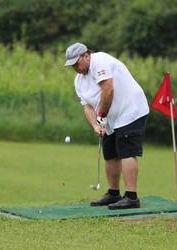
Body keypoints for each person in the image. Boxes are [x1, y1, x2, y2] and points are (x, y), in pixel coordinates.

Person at [64, 42, 149, 209]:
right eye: (72, 64)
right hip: (111, 118)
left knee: (127, 151)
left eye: (77, 62)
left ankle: (132, 197)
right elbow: (87, 106)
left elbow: (108, 89)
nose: (75, 67)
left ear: (86, 55)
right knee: (110, 153)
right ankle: (113, 193)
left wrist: (101, 115)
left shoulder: (100, 60)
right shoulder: (79, 81)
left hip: (131, 110)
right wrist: (96, 125)